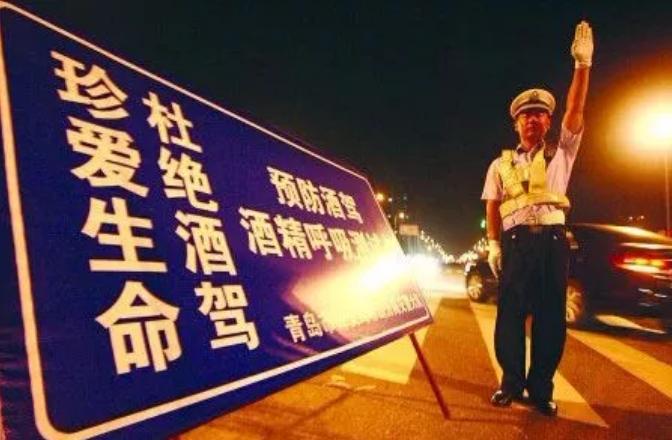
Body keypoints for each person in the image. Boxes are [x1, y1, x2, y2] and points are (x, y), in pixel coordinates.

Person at [480, 20, 593, 416]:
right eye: (525, 115)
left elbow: (576, 109)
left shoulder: (561, 153)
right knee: (510, 314)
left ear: (548, 122)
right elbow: (492, 205)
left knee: (549, 319)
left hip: (550, 243)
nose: (532, 119)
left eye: (540, 114)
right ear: (516, 124)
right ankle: (510, 383)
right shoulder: (499, 164)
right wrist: (493, 244)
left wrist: (582, 66)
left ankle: (541, 389)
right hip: (514, 244)